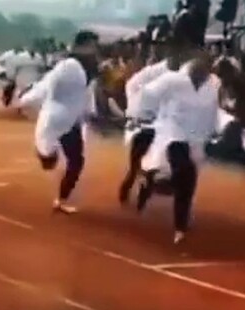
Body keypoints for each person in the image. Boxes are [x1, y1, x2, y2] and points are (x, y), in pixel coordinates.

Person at [138, 49, 221, 244]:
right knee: (186, 173)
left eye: (206, 69)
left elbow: (212, 112)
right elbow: (148, 93)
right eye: (200, 68)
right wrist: (145, 113)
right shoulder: (172, 80)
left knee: (184, 184)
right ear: (191, 67)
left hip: (196, 140)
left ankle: (154, 188)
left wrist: (213, 131)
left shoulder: (211, 88)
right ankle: (179, 225)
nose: (203, 73)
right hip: (172, 135)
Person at [17, 30, 100, 214]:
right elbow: (46, 85)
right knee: (49, 162)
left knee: (76, 161)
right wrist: (25, 100)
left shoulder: (89, 67)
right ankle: (43, 153)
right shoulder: (67, 66)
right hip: (55, 119)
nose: (95, 50)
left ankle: (61, 200)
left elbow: (86, 92)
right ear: (81, 47)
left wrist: (90, 112)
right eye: (92, 46)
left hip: (72, 122)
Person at [118, 35, 191, 206]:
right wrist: (138, 109)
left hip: (167, 126)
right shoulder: (153, 72)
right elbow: (131, 86)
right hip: (146, 122)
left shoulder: (185, 75)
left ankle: (146, 186)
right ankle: (131, 180)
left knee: (157, 163)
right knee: (136, 162)